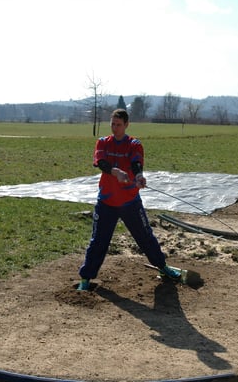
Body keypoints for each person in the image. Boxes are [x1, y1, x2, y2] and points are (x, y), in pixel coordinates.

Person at [77, 109, 181, 291]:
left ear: (126, 125)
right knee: (98, 241)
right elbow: (101, 162)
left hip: (130, 202)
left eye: (118, 124)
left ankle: (162, 267)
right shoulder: (103, 142)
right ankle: (86, 278)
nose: (115, 128)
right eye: (112, 124)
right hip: (107, 202)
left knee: (145, 236)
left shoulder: (134, 144)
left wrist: (139, 176)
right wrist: (115, 171)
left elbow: (136, 163)